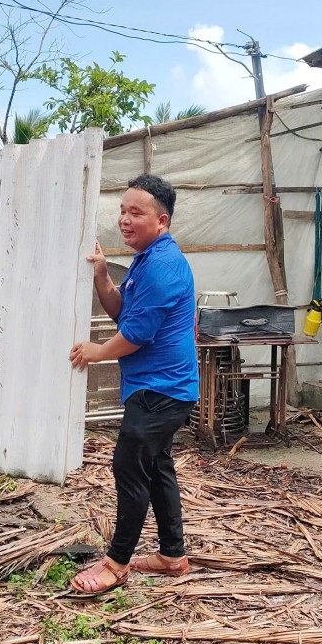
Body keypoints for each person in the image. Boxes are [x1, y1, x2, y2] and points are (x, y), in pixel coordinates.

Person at [68, 175, 199, 593]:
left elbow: (136, 335)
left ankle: (116, 562)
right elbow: (122, 312)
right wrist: (103, 275)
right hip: (158, 387)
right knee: (157, 467)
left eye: (135, 213)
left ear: (161, 221)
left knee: (130, 467)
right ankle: (172, 555)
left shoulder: (162, 266)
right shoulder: (147, 258)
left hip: (162, 390)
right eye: (122, 210)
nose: (124, 220)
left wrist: (96, 352)